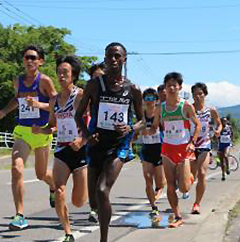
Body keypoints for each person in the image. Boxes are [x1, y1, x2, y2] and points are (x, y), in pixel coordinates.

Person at [75, 42, 144, 242]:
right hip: (96, 145)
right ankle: (96, 209)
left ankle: (103, 239)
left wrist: (130, 128)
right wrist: (88, 136)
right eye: (109, 56)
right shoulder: (94, 85)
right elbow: (78, 115)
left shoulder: (133, 89)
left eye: (117, 56)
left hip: (119, 147)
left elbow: (143, 121)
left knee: (103, 190)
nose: (113, 60)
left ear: (124, 59)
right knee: (94, 200)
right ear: (104, 58)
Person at [0, 45, 57, 230]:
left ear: (40, 61)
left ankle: (53, 187)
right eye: (26, 57)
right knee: (16, 168)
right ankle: (19, 215)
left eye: (33, 58)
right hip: (23, 131)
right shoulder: (18, 81)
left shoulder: (45, 81)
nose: (29, 61)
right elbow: (17, 99)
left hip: (41, 131)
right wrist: (4, 112)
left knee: (41, 174)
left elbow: (55, 103)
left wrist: (40, 107)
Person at [32, 55, 87, 242]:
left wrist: (82, 139)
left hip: (80, 151)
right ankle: (68, 232)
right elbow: (52, 125)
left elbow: (94, 124)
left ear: (74, 75)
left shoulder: (81, 96)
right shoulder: (54, 100)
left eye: (65, 72)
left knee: (79, 201)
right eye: (59, 72)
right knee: (60, 191)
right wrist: (41, 130)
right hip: (62, 150)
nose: (61, 76)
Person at [149, 72, 201, 228]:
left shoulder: (185, 106)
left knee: (184, 187)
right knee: (170, 185)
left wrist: (192, 142)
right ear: (164, 88)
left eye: (174, 85)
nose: (171, 88)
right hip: (167, 149)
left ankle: (190, 177)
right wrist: (144, 130)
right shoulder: (160, 108)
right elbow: (155, 125)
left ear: (179, 87)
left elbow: (197, 125)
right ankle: (178, 216)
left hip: (183, 149)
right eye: (168, 85)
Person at [189, 82, 222, 214]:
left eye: (200, 94)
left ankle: (197, 204)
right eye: (195, 94)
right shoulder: (188, 109)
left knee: (202, 174)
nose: (198, 96)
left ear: (205, 94)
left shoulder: (211, 110)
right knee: (192, 176)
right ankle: (187, 184)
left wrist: (218, 130)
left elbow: (219, 124)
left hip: (204, 143)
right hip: (190, 144)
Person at [140, 88, 165, 217]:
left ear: (156, 101)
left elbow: (163, 128)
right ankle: (153, 207)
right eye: (147, 99)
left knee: (160, 183)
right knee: (148, 179)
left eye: (152, 99)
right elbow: (137, 127)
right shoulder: (141, 113)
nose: (149, 101)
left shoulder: (160, 113)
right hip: (146, 149)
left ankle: (159, 189)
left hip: (159, 149)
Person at [86, 62, 106, 223]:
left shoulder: (118, 91)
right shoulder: (89, 91)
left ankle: (100, 206)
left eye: (100, 77)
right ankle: (94, 208)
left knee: (103, 180)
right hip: (93, 135)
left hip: (113, 140)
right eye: (94, 78)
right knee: (93, 174)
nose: (97, 80)